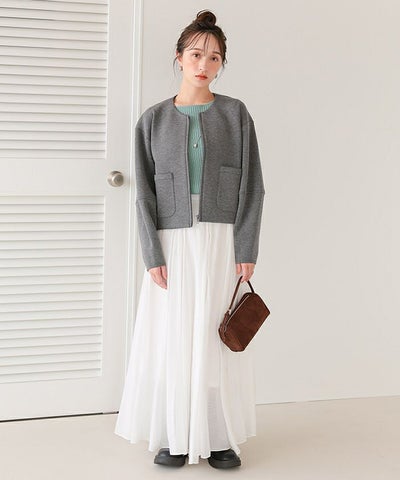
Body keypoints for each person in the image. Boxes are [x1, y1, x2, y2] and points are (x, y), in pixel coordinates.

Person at [114, 10, 265, 469]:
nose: (204, 64)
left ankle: (218, 437)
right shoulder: (153, 119)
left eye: (214, 57)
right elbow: (144, 193)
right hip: (171, 239)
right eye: (196, 54)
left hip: (221, 237)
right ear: (179, 57)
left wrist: (246, 248)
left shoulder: (236, 114)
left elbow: (253, 187)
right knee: (172, 337)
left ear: (221, 64)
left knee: (214, 336)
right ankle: (174, 434)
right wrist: (151, 253)